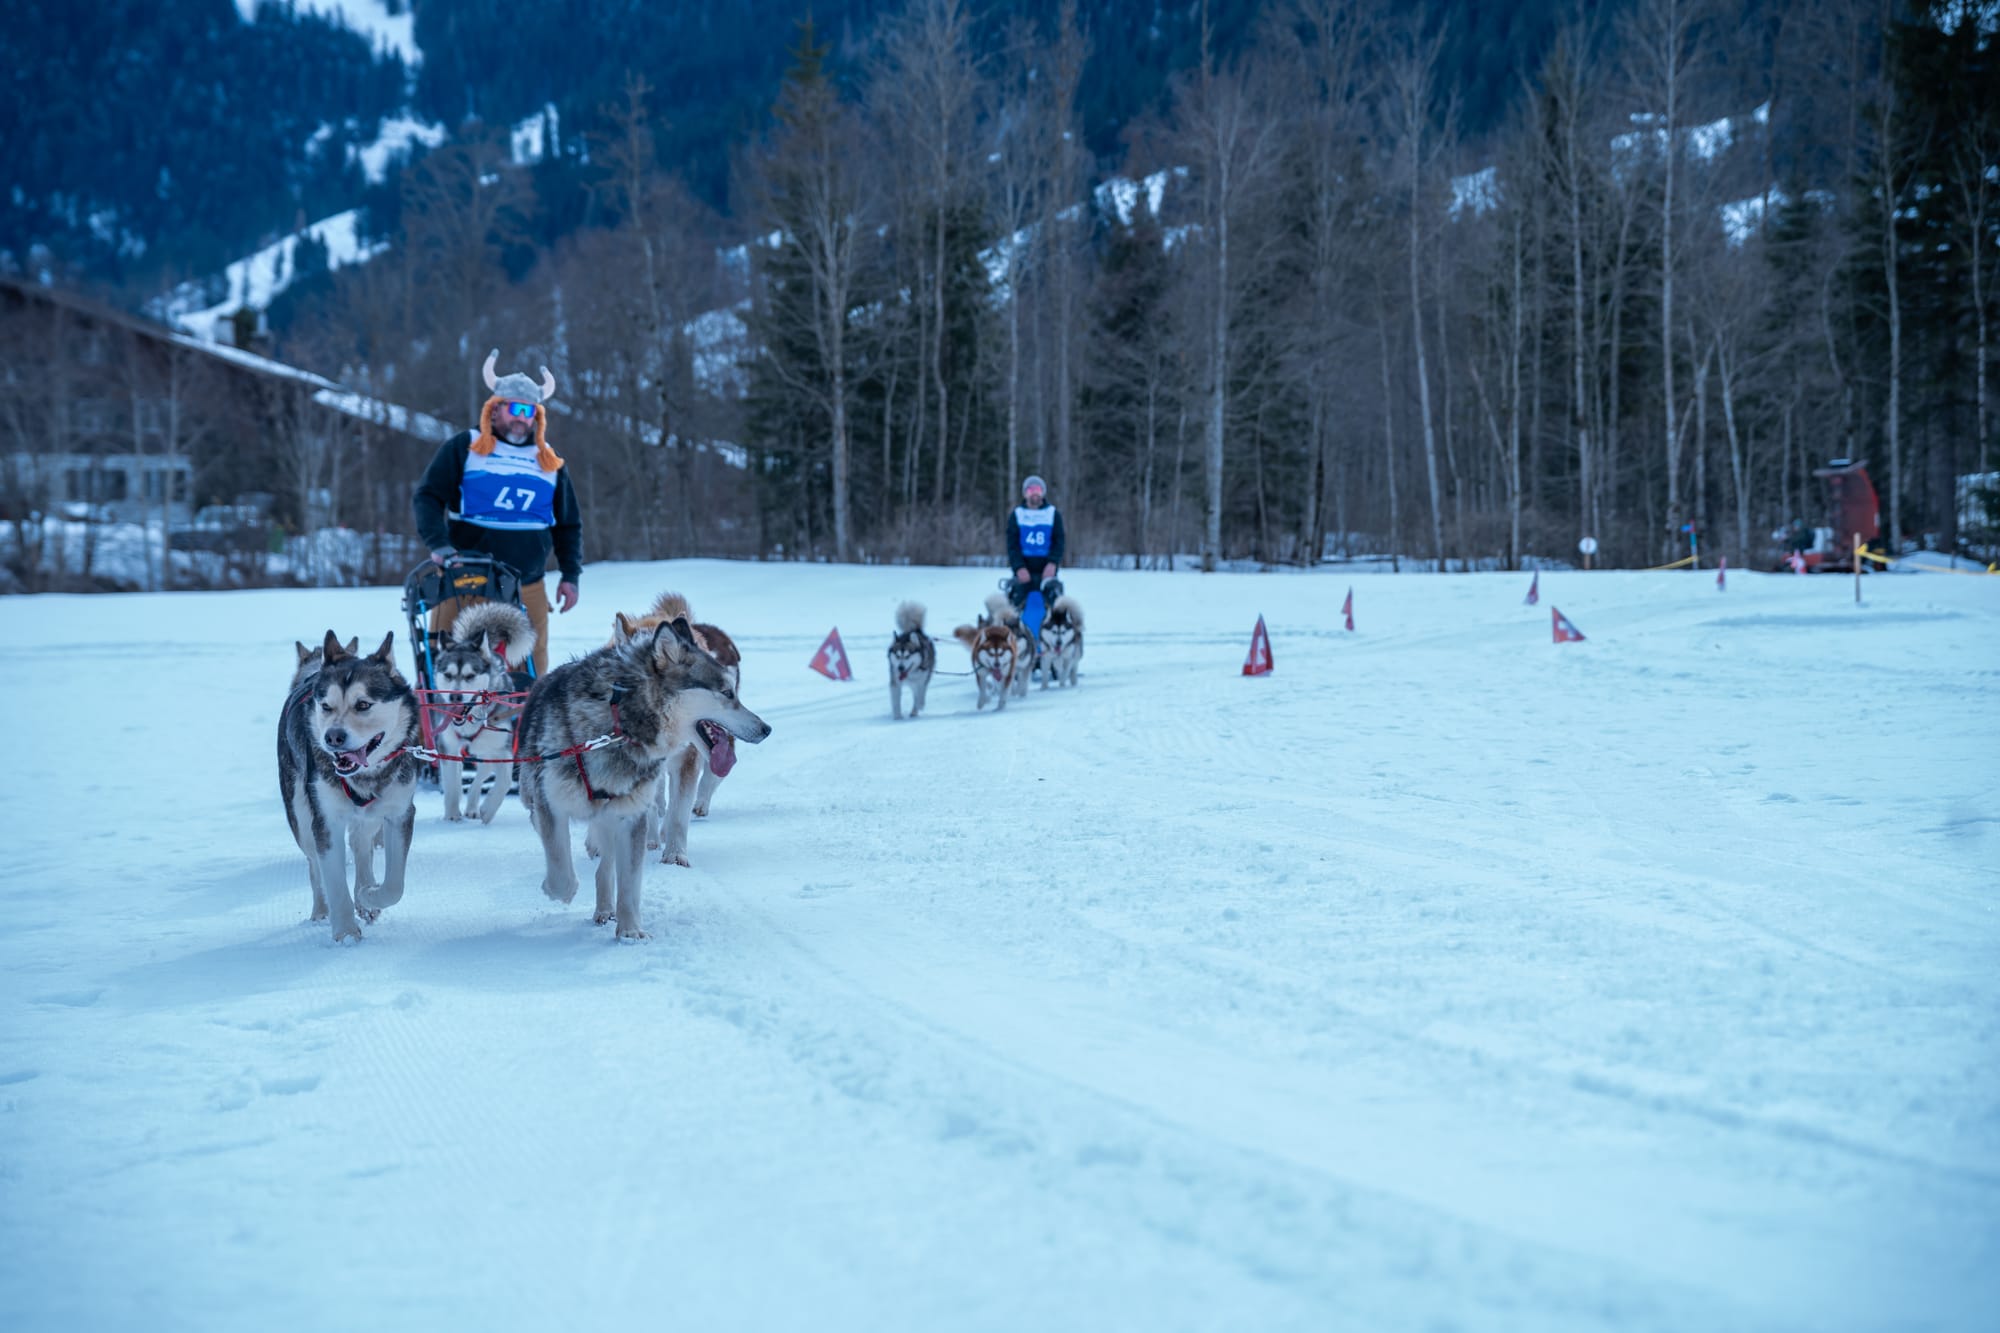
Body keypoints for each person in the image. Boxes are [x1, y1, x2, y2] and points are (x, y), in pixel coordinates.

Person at [412, 349, 582, 676]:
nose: (522, 417)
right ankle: (431, 726)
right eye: (515, 408)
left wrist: (570, 575)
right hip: (466, 578)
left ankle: (522, 727)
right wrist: (439, 544)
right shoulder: (466, 447)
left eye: (530, 411)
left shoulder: (548, 461)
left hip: (527, 583)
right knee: (444, 672)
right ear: (495, 410)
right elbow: (428, 497)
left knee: (530, 679)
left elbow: (568, 523)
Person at [1006, 474, 1064, 611]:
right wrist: (1019, 567)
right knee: (1014, 604)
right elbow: (1012, 545)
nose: (1035, 494)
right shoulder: (1017, 514)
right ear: (1025, 493)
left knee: (1055, 604)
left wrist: (1052, 563)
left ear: (1043, 493)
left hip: (1046, 568)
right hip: (1023, 568)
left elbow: (1059, 541)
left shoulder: (1053, 514)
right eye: (1031, 490)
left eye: (1038, 490)